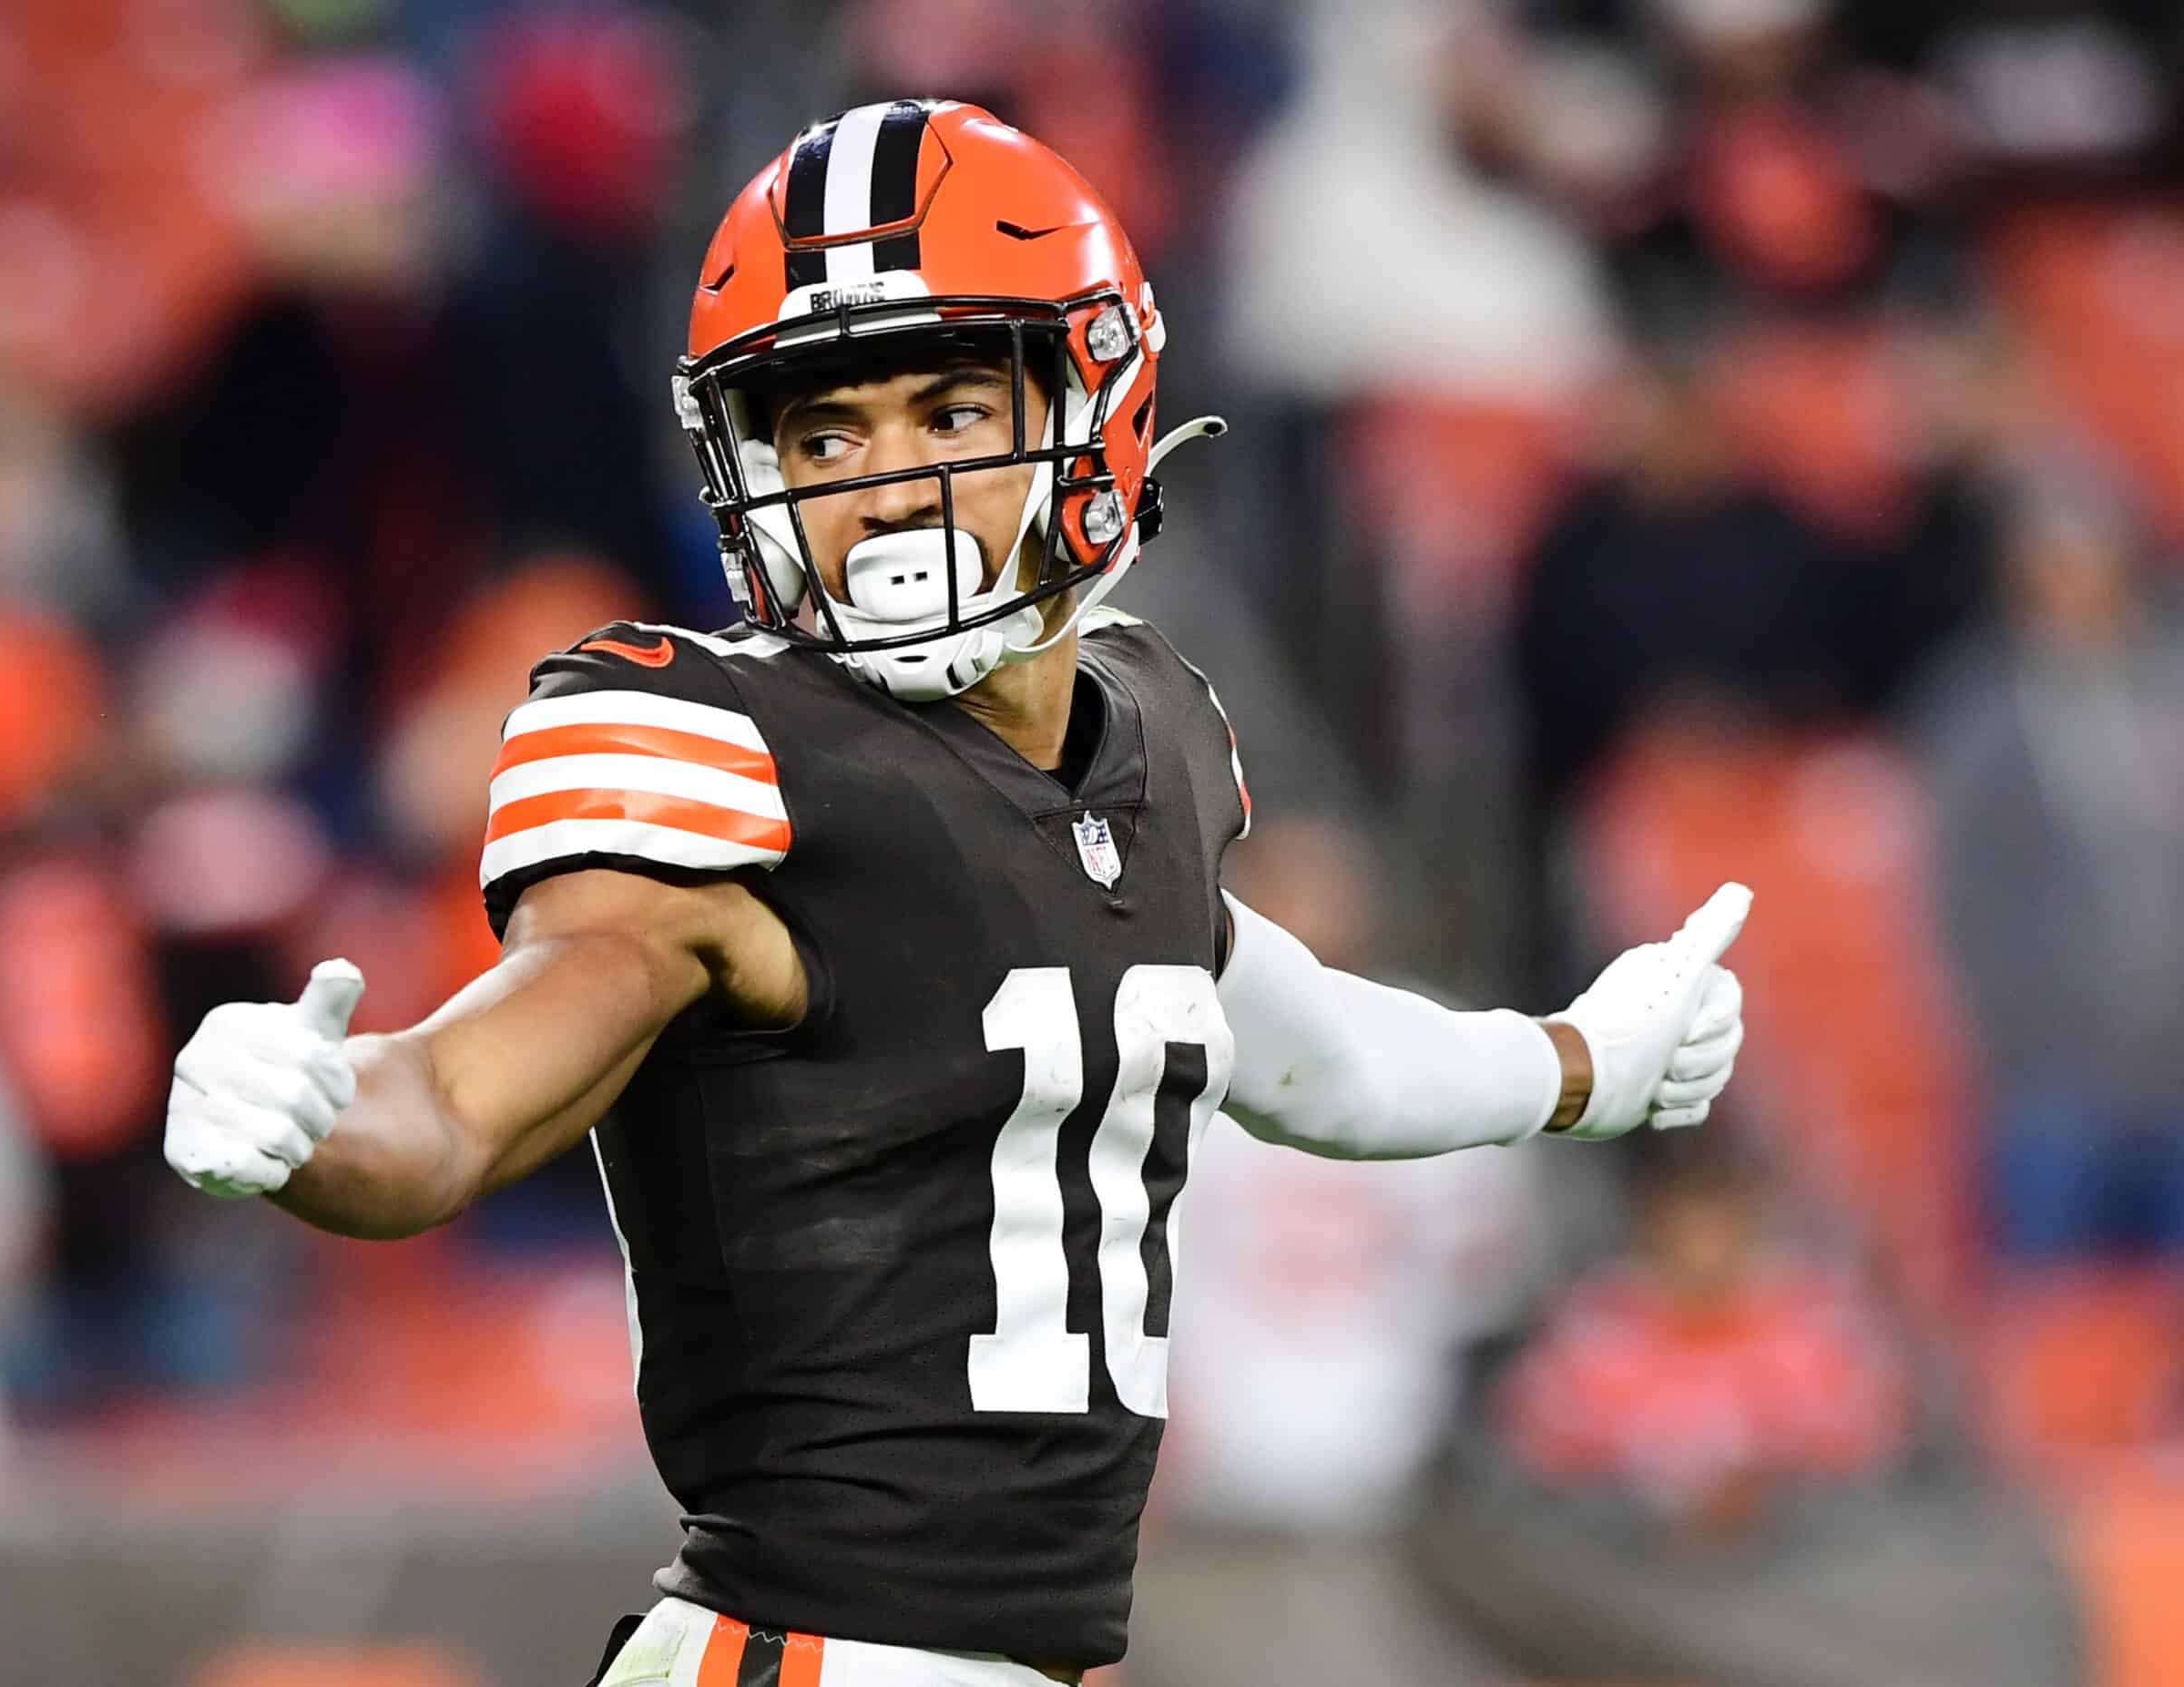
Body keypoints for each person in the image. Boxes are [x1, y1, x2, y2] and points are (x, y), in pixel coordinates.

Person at [163, 100, 1750, 1685]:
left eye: (946, 411)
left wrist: (1583, 1061)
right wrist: (324, 1118)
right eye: (825, 433)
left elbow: (1297, 1047)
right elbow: (467, 1092)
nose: (885, 482)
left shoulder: (1149, 732)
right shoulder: (731, 759)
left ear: (1094, 405)